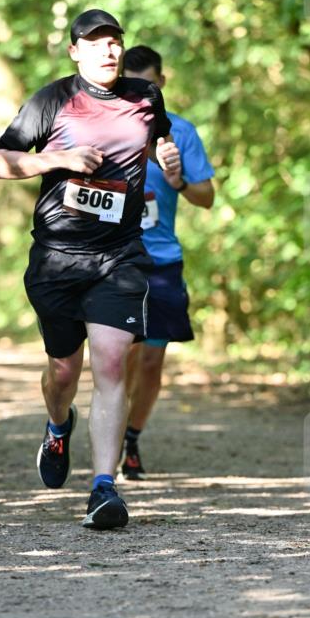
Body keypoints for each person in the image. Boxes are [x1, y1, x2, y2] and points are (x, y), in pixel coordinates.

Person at [0, 10, 181, 530]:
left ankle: (103, 488)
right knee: (64, 372)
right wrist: (60, 161)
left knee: (114, 364)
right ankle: (57, 425)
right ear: (75, 51)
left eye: (115, 41)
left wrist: (170, 164)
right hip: (56, 257)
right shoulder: (52, 100)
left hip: (119, 256)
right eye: (96, 43)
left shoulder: (147, 96)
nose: (109, 51)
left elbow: (157, 143)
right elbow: (0, 162)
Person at [120, 45, 215, 479]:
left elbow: (207, 197)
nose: (144, 93)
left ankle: (131, 439)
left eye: (151, 85)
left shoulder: (181, 132)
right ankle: (111, 439)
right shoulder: (107, 128)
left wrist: (176, 179)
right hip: (117, 258)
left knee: (152, 362)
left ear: (162, 81)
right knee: (124, 358)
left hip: (162, 261)